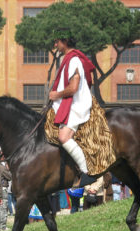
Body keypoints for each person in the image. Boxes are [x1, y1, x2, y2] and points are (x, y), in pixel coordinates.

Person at [49, 28, 96, 187]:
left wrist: (57, 95)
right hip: (70, 104)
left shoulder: (74, 60)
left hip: (76, 105)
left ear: (65, 41)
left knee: (63, 137)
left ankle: (87, 172)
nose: (55, 44)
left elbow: (73, 87)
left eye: (57, 41)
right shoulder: (69, 59)